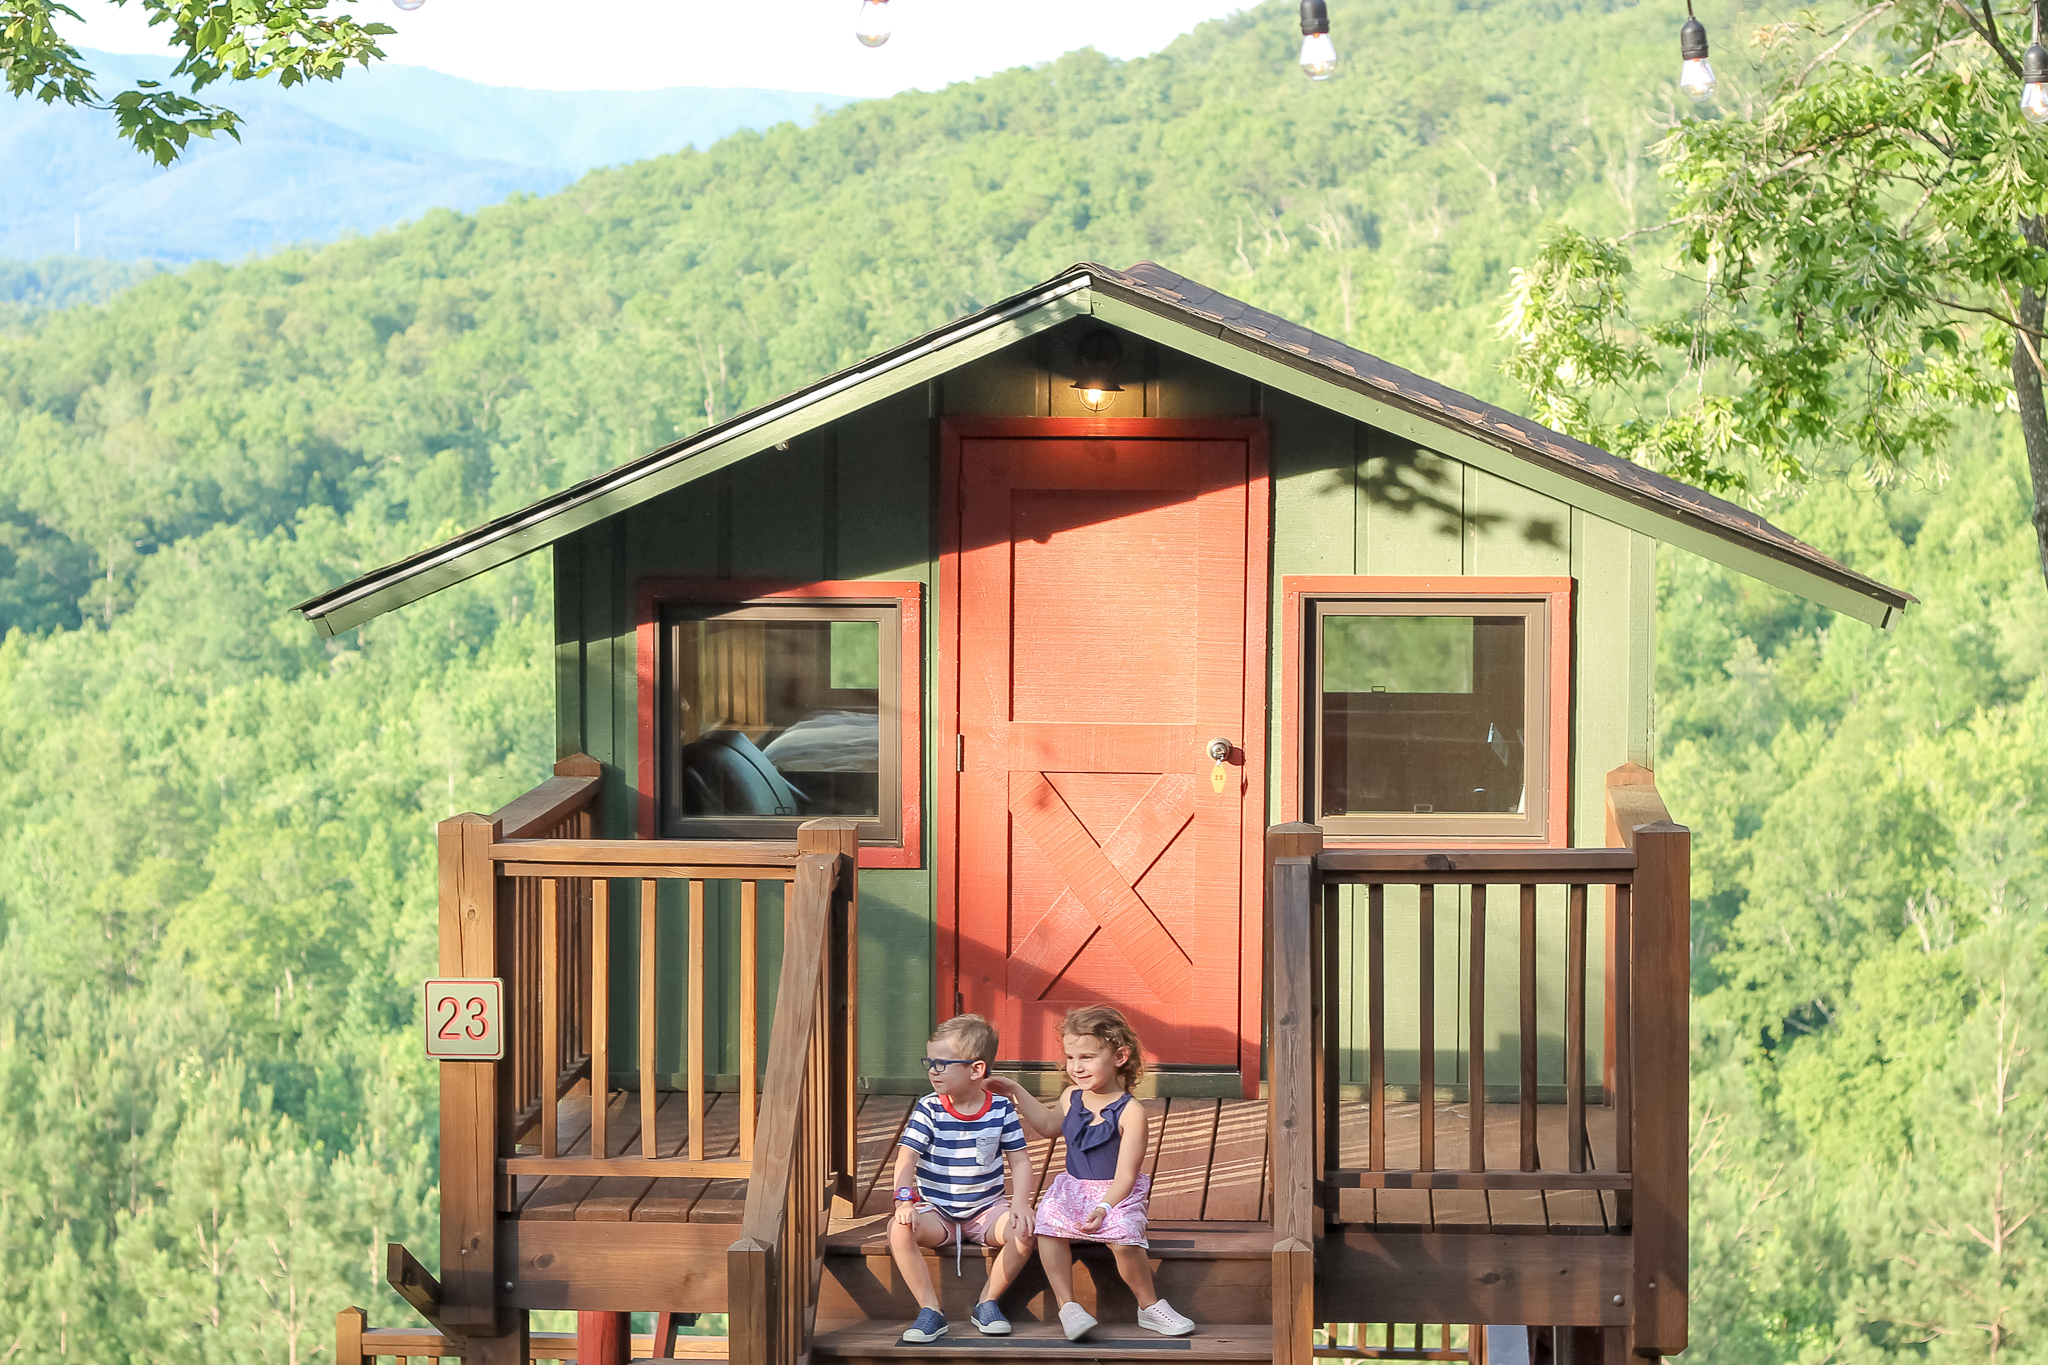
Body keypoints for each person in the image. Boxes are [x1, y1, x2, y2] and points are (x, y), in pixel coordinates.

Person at [990, 1005, 1196, 1341]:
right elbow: (1047, 1126)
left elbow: (1127, 1176)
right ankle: (1068, 1306)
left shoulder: (1131, 1111)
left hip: (1115, 1193)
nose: (1076, 1067)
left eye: (1086, 1056)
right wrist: (1015, 1090)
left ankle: (1149, 1306)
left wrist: (1105, 1207)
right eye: (1071, 1057)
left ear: (1119, 1056)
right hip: (1072, 1187)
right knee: (1048, 1225)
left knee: (1124, 1237)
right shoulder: (1072, 1096)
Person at [888, 1013, 1035, 1343]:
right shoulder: (929, 1109)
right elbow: (907, 1157)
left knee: (1025, 1232)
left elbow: (1021, 1162)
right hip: (937, 1213)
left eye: (942, 1063)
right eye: (930, 1062)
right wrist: (905, 1198)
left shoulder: (1000, 1109)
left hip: (986, 1211)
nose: (932, 1070)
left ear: (976, 1069)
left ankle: (987, 1302)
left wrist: (1022, 1205)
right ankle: (930, 1310)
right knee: (898, 1229)